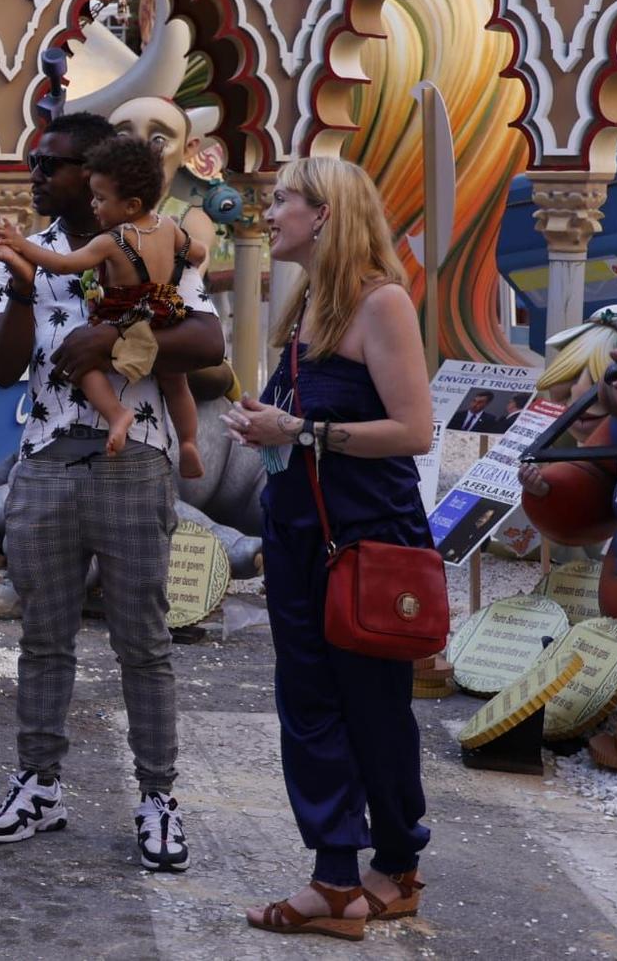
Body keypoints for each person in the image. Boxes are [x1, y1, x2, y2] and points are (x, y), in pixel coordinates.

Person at [0, 111, 224, 872]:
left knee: (141, 642)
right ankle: (41, 785)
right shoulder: (30, 253)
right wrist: (19, 290)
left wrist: (109, 338)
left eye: (56, 164)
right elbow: (6, 367)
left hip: (133, 458)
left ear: (101, 174)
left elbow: (208, 340)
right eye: (36, 162)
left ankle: (157, 797)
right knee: (42, 635)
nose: (39, 175)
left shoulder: (155, 239)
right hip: (45, 458)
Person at [222, 156, 434, 938]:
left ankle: (373, 870)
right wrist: (266, 424)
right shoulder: (311, 300)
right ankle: (361, 874)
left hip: (366, 538)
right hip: (303, 533)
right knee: (312, 702)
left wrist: (301, 431)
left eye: (283, 201)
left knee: (370, 707)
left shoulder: (380, 302)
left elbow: (414, 431)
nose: (269, 212)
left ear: (327, 214)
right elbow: (300, 426)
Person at [0, 134, 206, 475]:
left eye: (100, 199)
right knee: (176, 382)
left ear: (131, 206)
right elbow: (197, 253)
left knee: (83, 366)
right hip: (163, 312)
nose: (93, 206)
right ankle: (188, 441)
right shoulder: (168, 227)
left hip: (122, 317)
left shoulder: (111, 241)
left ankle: (116, 414)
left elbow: (62, 264)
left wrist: (20, 244)